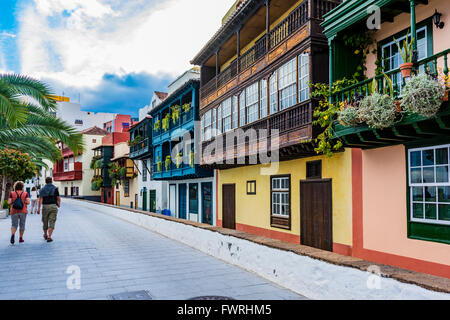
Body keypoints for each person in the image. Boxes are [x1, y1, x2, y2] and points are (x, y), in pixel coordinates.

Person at [37, 177, 61, 243]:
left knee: (45, 221)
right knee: (52, 221)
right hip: (53, 206)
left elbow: (40, 199)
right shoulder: (55, 188)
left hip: (45, 206)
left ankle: (45, 234)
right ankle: (49, 236)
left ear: (45, 181)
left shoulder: (42, 189)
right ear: (51, 181)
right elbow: (58, 198)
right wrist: (58, 204)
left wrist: (38, 208)